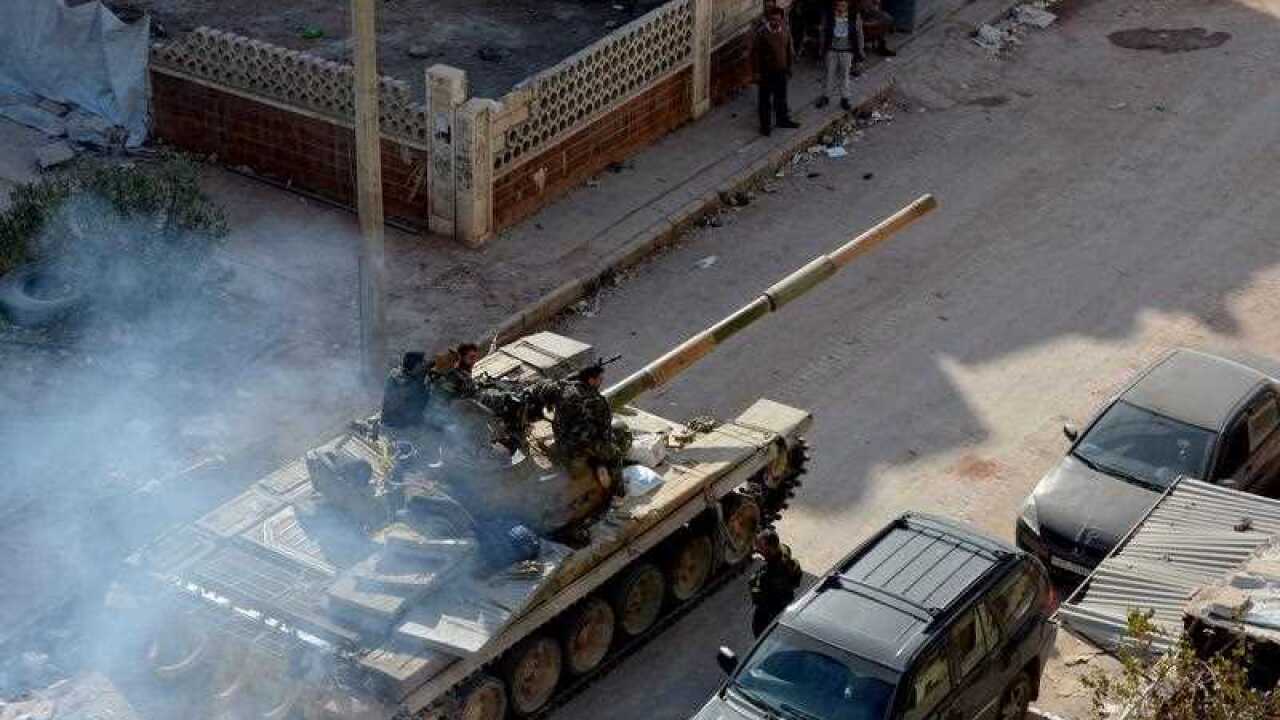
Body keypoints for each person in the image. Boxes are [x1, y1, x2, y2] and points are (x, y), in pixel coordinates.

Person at [534, 364, 629, 496]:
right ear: (591, 380)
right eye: (599, 379)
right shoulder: (597, 401)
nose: (601, 381)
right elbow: (605, 430)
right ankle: (618, 492)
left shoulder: (563, 388)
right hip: (578, 447)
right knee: (615, 453)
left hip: (562, 440)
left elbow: (545, 390)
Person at [754, 0, 800, 137]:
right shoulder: (762, 34)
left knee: (781, 98)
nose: (775, 22)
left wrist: (789, 67)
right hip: (766, 72)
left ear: (781, 19)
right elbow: (755, 55)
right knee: (765, 101)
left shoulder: (785, 30)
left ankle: (782, 120)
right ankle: (765, 126)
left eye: (778, 20)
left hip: (781, 70)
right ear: (769, 19)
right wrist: (757, 72)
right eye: (773, 19)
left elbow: (788, 50)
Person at [749, 529, 803, 636]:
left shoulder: (770, 574)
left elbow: (758, 597)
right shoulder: (783, 550)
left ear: (770, 549)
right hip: (787, 598)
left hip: (772, 609)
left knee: (762, 631)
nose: (758, 548)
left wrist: (754, 582)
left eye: (761, 546)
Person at [816, 0, 858, 110]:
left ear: (847, 5)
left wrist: (859, 51)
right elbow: (823, 32)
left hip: (846, 51)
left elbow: (858, 33)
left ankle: (845, 98)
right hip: (832, 50)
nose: (841, 7)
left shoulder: (853, 16)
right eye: (839, 5)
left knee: (845, 76)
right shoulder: (830, 16)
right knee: (829, 74)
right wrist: (822, 49)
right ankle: (826, 96)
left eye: (843, 5)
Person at [381, 352, 430, 428]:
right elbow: (408, 395)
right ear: (416, 365)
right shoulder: (399, 379)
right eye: (422, 363)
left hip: (402, 420)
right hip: (396, 423)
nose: (423, 365)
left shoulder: (405, 374)